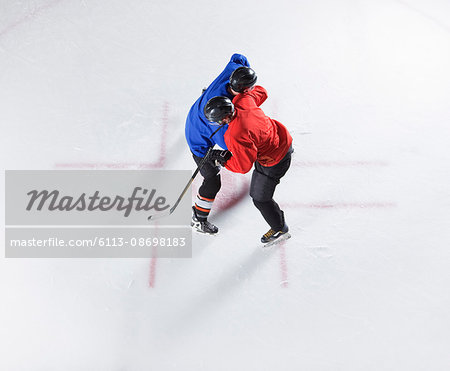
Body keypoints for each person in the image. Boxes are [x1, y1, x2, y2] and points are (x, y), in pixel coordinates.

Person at [203, 81, 293, 244]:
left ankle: (280, 229)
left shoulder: (235, 135)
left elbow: (243, 166)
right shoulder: (242, 100)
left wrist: (223, 160)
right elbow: (262, 92)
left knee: (259, 198)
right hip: (282, 139)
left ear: (224, 118)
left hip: (275, 160)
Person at [185, 54, 257, 234]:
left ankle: (206, 94)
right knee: (212, 180)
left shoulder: (232, 70)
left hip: (201, 108)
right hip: (198, 139)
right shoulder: (221, 130)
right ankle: (198, 218)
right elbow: (232, 148)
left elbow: (238, 57)